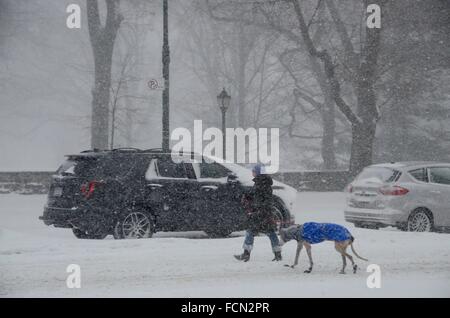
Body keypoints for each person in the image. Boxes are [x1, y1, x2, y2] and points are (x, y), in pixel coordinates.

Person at [234, 164, 282, 262]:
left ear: (258, 172)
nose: (252, 172)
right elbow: (256, 194)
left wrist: (259, 210)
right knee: (270, 233)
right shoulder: (262, 182)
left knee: (251, 231)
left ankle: (246, 254)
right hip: (264, 213)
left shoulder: (261, 183)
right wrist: (247, 194)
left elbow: (264, 199)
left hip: (261, 213)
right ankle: (278, 255)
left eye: (254, 171)